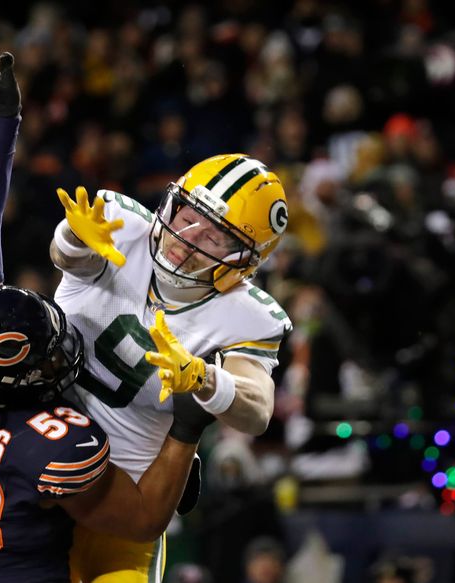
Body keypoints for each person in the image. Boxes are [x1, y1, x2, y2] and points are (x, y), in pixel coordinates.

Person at [0, 27, 214, 583]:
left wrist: (3, 119)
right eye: (43, 358)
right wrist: (185, 433)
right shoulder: (50, 444)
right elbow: (143, 518)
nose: (59, 355)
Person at [50, 146, 292, 579]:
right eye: (188, 215)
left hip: (125, 495)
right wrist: (73, 237)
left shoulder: (248, 315)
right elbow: (68, 260)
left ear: (243, 262)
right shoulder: (122, 224)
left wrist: (205, 379)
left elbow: (257, 410)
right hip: (40, 471)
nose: (189, 237)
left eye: (214, 237)